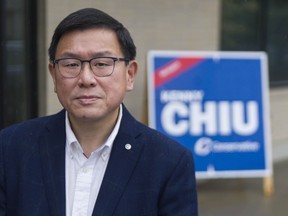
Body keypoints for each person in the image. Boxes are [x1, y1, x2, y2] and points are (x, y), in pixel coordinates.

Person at [0, 8, 198, 216]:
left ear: (130, 74)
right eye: (71, 64)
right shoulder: (9, 148)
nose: (86, 79)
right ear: (54, 75)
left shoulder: (169, 162)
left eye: (102, 64)